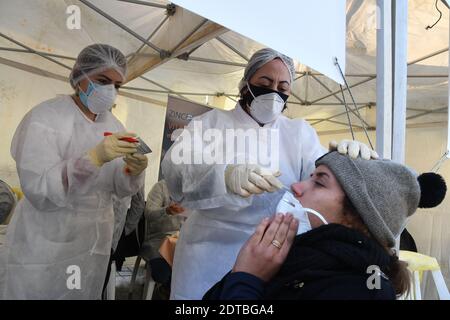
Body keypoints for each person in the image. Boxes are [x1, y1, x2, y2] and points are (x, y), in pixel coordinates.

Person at [161, 48, 378, 299]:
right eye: (265, 82)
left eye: (283, 87)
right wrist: (225, 175)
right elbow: (176, 170)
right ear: (246, 84)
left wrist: (349, 161)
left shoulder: (298, 133)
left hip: (273, 252)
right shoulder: (212, 123)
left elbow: (323, 178)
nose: (274, 91)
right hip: (208, 252)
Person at [0, 44, 148, 299]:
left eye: (116, 85)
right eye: (102, 80)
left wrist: (133, 172)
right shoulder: (46, 119)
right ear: (80, 75)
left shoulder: (113, 125)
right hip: (45, 246)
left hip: (91, 247)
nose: (110, 91)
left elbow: (119, 189)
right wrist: (93, 158)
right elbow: (41, 191)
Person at [203, 151, 447, 300]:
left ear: (357, 216)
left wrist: (247, 278)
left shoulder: (362, 291)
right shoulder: (295, 259)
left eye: (319, 182)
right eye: (311, 176)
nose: (296, 187)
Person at [140, 180, 185, 288]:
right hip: (158, 239)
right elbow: (149, 214)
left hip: (184, 240)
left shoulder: (193, 189)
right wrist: (166, 211)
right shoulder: (161, 187)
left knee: (194, 267)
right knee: (162, 274)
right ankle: (166, 289)